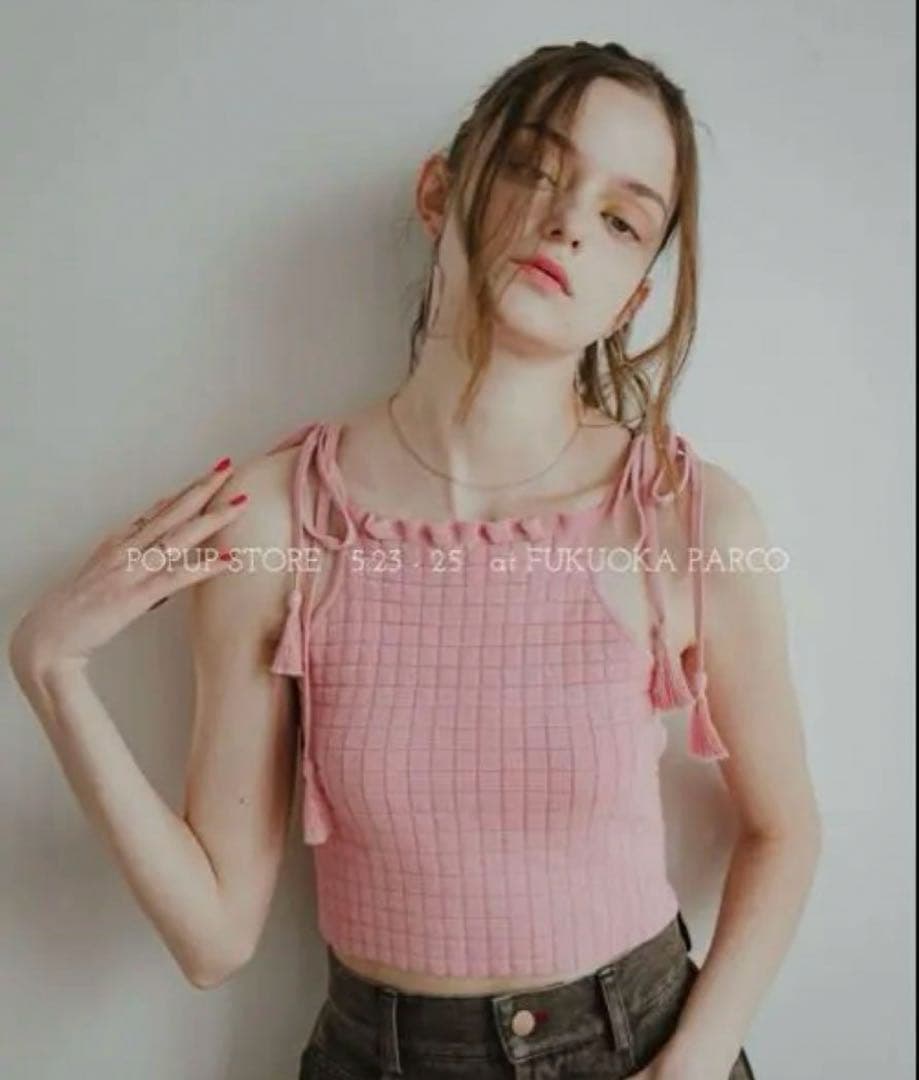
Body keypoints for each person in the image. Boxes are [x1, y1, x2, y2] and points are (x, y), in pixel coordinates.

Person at [8, 40, 822, 1080]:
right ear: (440, 189)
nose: (569, 222)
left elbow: (783, 831)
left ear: (629, 300)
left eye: (622, 219)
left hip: (641, 1048)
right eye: (534, 167)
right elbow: (214, 940)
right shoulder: (277, 519)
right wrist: (53, 672)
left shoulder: (685, 515)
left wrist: (695, 1061)